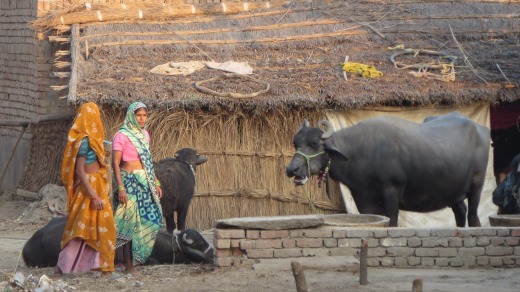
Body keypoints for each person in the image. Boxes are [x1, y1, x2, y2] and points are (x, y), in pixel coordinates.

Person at [58, 102, 116, 274]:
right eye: (95, 116)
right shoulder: (83, 141)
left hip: (97, 186)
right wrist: (94, 196)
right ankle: (67, 266)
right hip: (89, 189)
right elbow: (80, 171)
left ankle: (94, 265)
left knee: (100, 226)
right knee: (80, 227)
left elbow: (96, 159)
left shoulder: (94, 139)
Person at [112, 101, 163, 273]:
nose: (142, 119)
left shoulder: (145, 135)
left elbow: (147, 162)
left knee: (149, 221)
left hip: (144, 182)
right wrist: (121, 188)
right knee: (128, 223)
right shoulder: (121, 135)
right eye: (138, 115)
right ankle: (127, 263)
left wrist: (155, 182)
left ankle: (137, 259)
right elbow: (115, 163)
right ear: (131, 116)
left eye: (144, 115)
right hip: (129, 183)